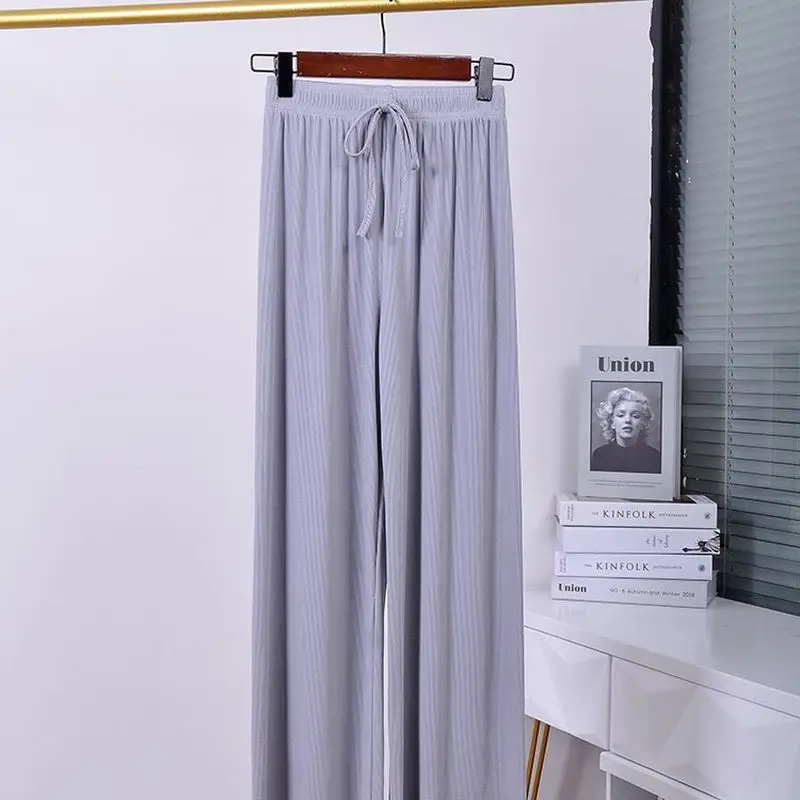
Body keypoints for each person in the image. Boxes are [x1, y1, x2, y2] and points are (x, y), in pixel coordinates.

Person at [590, 387, 661, 474]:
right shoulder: (600, 455)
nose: (628, 420)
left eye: (635, 416)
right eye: (621, 415)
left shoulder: (655, 458)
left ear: (643, 423)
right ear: (612, 422)